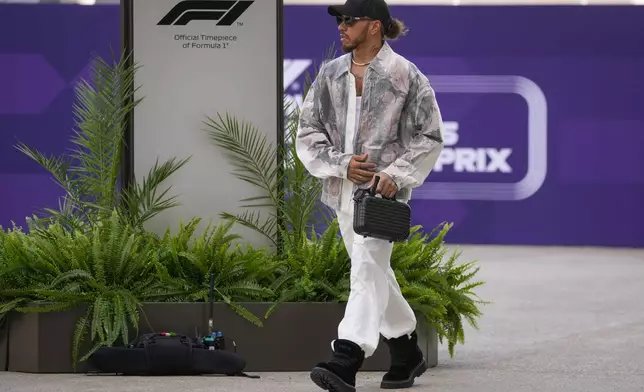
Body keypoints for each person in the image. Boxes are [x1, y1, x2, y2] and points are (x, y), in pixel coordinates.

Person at [295, 0, 445, 391]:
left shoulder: (405, 76)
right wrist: (342, 164)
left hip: (383, 197)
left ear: (375, 26)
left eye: (349, 20)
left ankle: (347, 355)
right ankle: (406, 350)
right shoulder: (330, 75)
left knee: (364, 269)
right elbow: (307, 133)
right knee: (376, 271)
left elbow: (430, 136)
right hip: (342, 192)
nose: (341, 27)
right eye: (340, 20)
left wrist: (396, 175)